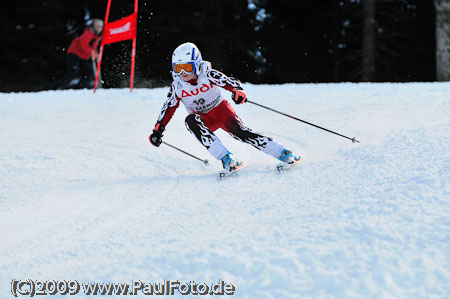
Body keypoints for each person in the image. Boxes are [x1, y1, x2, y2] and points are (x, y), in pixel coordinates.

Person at [149, 42, 300, 171]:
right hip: (203, 120)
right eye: (178, 68)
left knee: (241, 133)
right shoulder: (177, 85)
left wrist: (237, 91)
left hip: (221, 111)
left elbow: (228, 81)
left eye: (187, 67)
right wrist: (158, 130)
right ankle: (226, 158)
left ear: (196, 64)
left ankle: (282, 152)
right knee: (190, 121)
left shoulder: (207, 74)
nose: (183, 73)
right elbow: (168, 107)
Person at [57, 19, 103, 89]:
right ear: (93, 26)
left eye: (101, 26)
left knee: (89, 72)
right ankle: (60, 87)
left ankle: (81, 88)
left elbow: (94, 47)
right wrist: (93, 54)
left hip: (82, 57)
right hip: (74, 54)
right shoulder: (89, 33)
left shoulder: (96, 36)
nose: (99, 28)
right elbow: (83, 45)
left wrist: (96, 54)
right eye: (97, 26)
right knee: (73, 71)